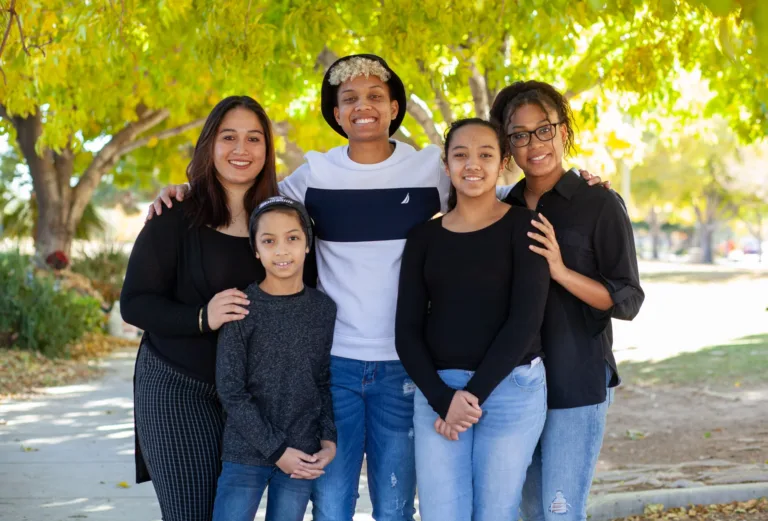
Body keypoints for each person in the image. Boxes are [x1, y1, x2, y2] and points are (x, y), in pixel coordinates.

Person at [145, 57, 607, 521]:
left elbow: (482, 190)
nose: (362, 107)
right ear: (337, 114)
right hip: (335, 365)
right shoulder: (313, 176)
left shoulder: (430, 167)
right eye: (349, 99)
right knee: (331, 502)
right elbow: (249, 202)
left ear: (394, 107)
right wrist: (184, 189)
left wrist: (576, 180)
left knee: (394, 505)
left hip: (406, 368)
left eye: (373, 97)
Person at [490, 80, 645, 521]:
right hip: (514, 387)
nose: (534, 144)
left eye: (544, 129)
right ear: (508, 146)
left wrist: (561, 271)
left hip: (576, 381)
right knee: (528, 511)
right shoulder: (503, 208)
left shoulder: (599, 202)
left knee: (559, 512)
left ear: (563, 131)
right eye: (519, 135)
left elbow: (629, 299)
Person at [120, 95, 280, 521]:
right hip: (178, 386)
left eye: (254, 139)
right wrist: (201, 316)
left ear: (267, 150)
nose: (241, 150)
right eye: (229, 137)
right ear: (210, 144)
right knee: (192, 513)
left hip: (249, 396)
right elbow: (134, 303)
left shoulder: (283, 221)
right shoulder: (175, 215)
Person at [396, 118, 550, 521]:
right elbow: (406, 332)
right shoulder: (423, 238)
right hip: (438, 391)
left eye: (485, 154)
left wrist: (470, 399)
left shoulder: (526, 226)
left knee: (495, 512)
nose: (473, 164)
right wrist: (444, 400)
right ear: (446, 165)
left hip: (512, 390)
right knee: (442, 513)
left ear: (502, 164)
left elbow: (525, 321)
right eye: (460, 155)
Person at [212, 196, 337, 521]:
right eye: (269, 241)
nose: (282, 250)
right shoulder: (242, 307)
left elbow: (322, 381)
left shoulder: (323, 309)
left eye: (292, 238)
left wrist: (328, 439)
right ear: (256, 249)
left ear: (307, 244)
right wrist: (277, 450)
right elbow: (231, 391)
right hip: (245, 452)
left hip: (302, 454)